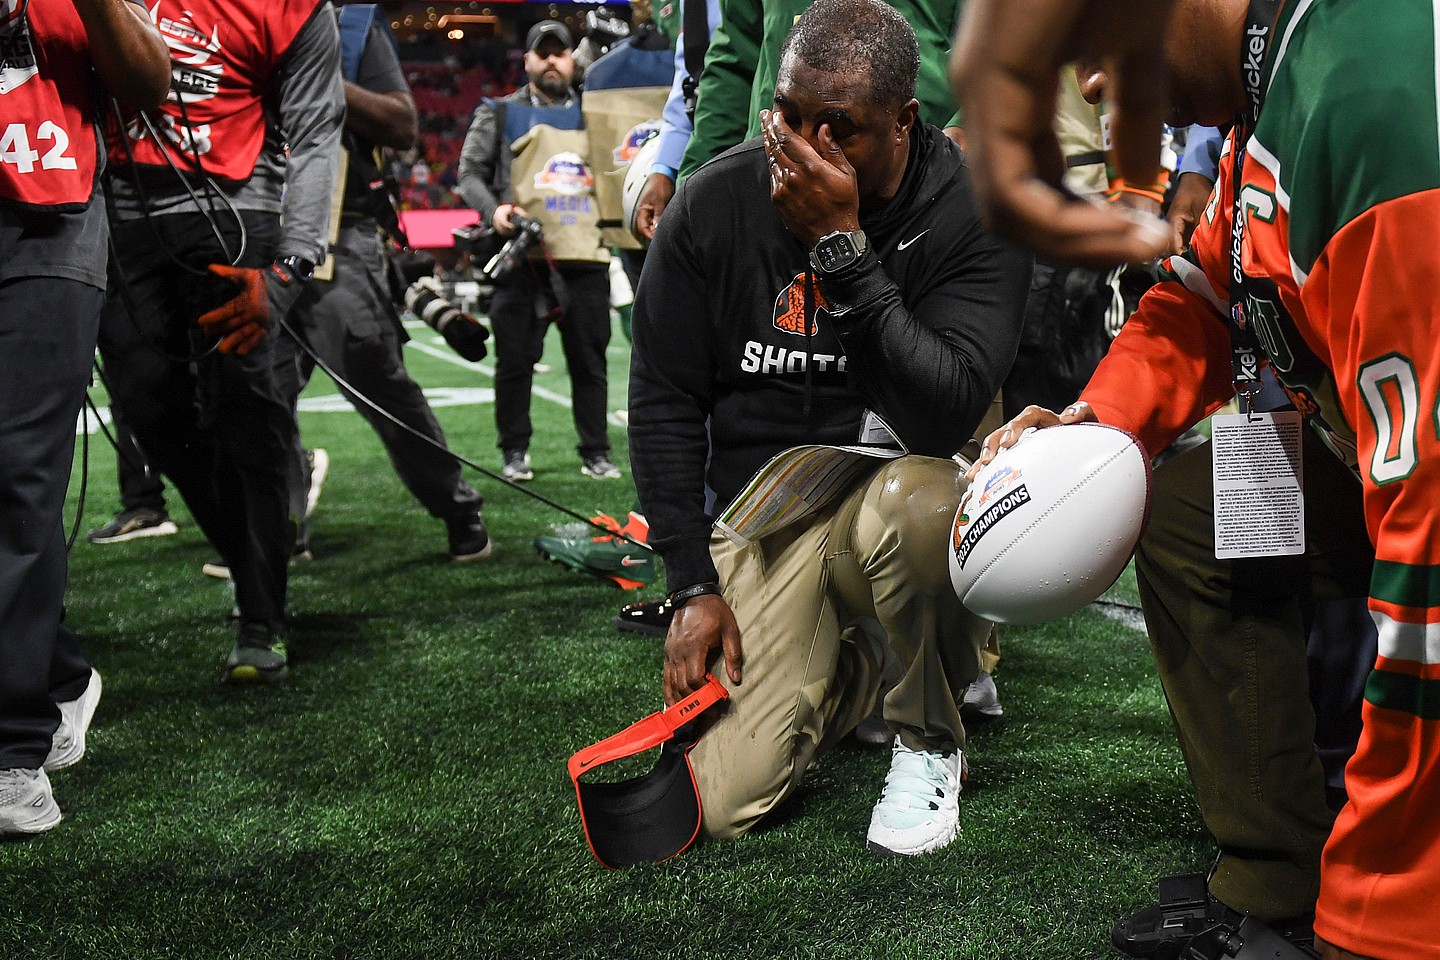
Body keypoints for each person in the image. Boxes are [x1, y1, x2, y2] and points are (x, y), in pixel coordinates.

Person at [963, 2, 1440, 958]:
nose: (1092, 83)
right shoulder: (1280, 80)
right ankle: (1277, 877)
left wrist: (1382, 906)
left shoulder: (1370, 96)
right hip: (1382, 454)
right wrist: (1099, 424)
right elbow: (1208, 298)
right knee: (1193, 513)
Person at [629, 0, 1030, 853]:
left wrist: (842, 248)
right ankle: (855, 669)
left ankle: (929, 738)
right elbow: (663, 400)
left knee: (933, 505)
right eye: (788, 115)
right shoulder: (713, 203)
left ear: (904, 122)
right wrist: (692, 583)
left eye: (838, 127)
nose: (804, 146)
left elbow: (942, 413)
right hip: (764, 514)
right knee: (723, 807)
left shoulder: (975, 208)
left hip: (891, 490)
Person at [97, 0, 344, 683]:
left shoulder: (295, 6)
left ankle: (263, 613)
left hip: (239, 217)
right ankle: (247, 562)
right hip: (121, 215)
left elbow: (316, 133)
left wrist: (291, 267)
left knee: (249, 412)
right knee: (148, 409)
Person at [0, 0, 169, 836]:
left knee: (16, 478)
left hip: (45, 222)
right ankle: (60, 671)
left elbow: (150, 82)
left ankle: (11, 748)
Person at [285, 2, 491, 564]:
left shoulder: (351, 25)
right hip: (252, 226)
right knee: (256, 387)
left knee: (375, 374)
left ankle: (457, 507)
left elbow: (402, 124)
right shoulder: (226, 19)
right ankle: (278, 522)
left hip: (339, 224)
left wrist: (310, 72)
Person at [457, 21, 620, 483]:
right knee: (514, 363)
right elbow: (468, 174)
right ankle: (514, 451)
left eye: (559, 52)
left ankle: (596, 452)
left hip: (586, 258)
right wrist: (495, 210)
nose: (551, 60)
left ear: (572, 60)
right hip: (522, 259)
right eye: (541, 52)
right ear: (527, 60)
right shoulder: (499, 111)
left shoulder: (596, 113)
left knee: (590, 364)